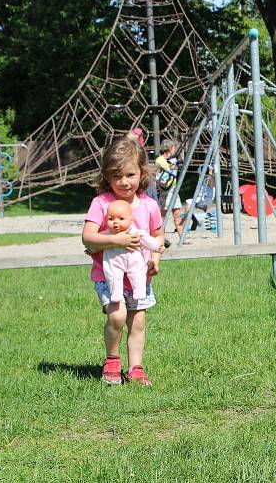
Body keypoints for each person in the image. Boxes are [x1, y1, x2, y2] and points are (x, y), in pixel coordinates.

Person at [82, 138, 164, 387]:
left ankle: (136, 368)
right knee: (117, 317)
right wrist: (115, 239)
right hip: (109, 276)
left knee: (137, 321)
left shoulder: (149, 206)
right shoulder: (102, 203)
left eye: (130, 174)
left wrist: (155, 258)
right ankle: (112, 360)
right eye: (117, 176)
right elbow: (88, 237)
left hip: (139, 277)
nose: (124, 182)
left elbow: (158, 236)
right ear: (107, 176)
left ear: (142, 172)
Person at [101, 199, 163, 304]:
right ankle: (116, 293)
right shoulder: (107, 233)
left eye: (121, 219)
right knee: (113, 275)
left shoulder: (135, 232)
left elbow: (146, 240)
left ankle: (139, 291)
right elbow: (98, 240)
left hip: (134, 261)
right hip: (114, 262)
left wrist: (157, 246)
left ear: (131, 220)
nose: (115, 222)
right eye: (111, 219)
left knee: (138, 273)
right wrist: (92, 247)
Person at [155, 139, 188, 244]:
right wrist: (177, 163)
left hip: (173, 189)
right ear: (169, 148)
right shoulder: (160, 160)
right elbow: (167, 167)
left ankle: (183, 238)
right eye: (173, 148)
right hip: (165, 191)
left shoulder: (172, 159)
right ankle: (161, 239)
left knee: (177, 214)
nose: (175, 150)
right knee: (162, 217)